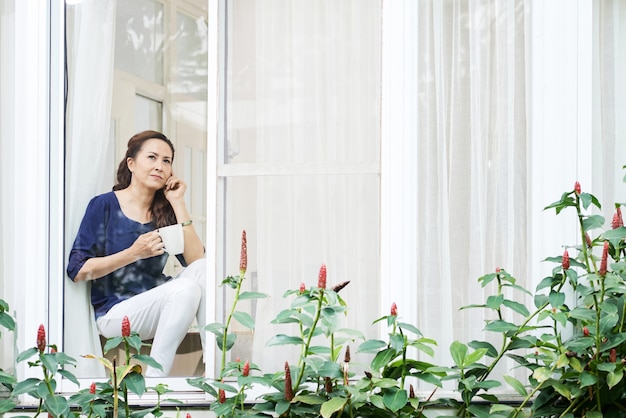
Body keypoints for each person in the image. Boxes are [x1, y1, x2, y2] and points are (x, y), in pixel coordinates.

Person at [67, 130, 206, 377]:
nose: (160, 166)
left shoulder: (166, 212)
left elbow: (196, 261)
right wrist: (133, 253)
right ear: (131, 163)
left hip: (159, 307)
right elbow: (78, 270)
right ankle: (155, 379)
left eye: (166, 161)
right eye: (152, 157)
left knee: (204, 269)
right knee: (186, 288)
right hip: (115, 314)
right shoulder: (104, 205)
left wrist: (178, 203)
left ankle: (213, 364)